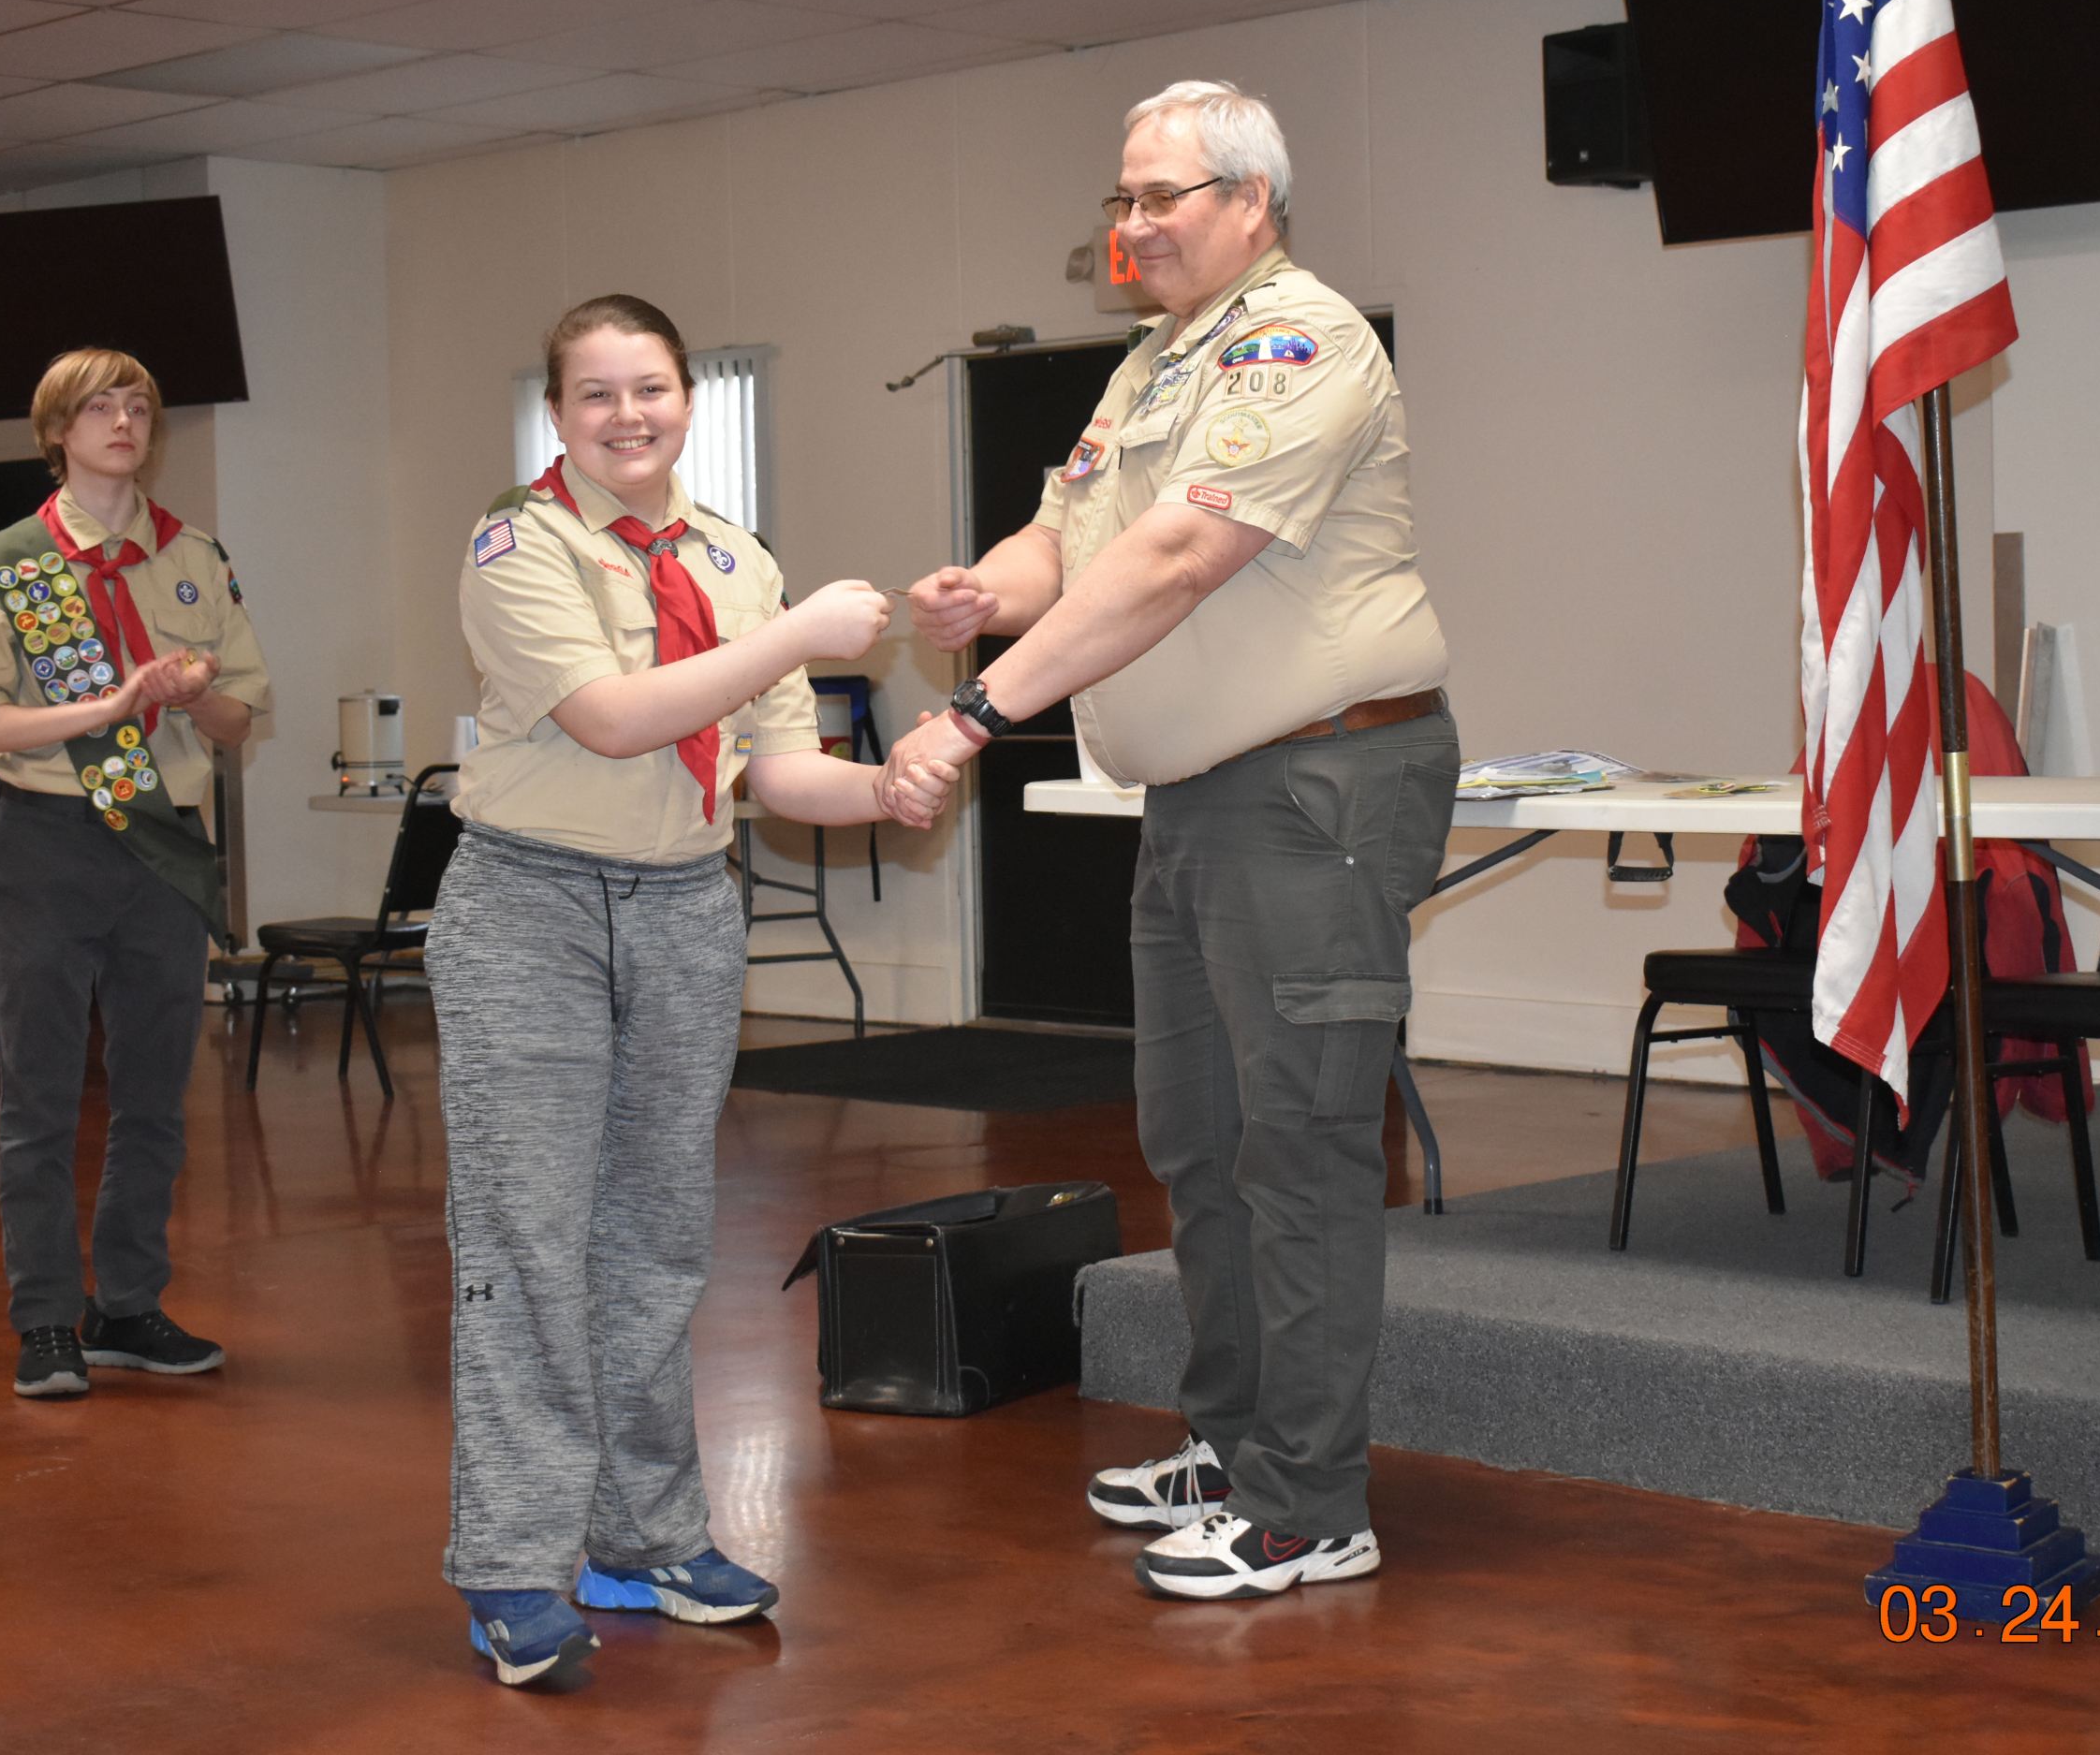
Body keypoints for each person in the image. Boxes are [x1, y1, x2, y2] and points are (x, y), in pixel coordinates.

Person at [885, 81, 1456, 1601]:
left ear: (1252, 202)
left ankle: (1310, 1505)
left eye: (1162, 197)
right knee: (1200, 1140)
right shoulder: (1154, 364)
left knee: (1302, 1148)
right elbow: (1068, 537)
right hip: (1202, 799)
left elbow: (1182, 553)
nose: (1133, 225)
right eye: (1121, 200)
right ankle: (1239, 1442)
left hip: (1316, 791)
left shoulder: (1301, 343)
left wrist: (978, 707)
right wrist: (986, 592)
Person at [433, 294, 956, 1688]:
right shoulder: (517, 543)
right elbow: (615, 719)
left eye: (651, 388)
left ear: (686, 398)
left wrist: (886, 788)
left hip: (680, 907)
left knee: (655, 1238)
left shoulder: (734, 558)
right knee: (528, 1243)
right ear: (560, 414)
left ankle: (646, 1536)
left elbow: (775, 769)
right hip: (531, 905)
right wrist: (800, 636)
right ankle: (514, 1564)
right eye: (596, 394)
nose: (628, 416)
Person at [0, 347, 270, 1400]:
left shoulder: (194, 555)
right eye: (98, 408)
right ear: (57, 431)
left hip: (162, 840)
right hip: (48, 838)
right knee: (38, 1095)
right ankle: (44, 1319)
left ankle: (127, 1303)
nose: (123, 422)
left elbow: (239, 720)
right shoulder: (7, 564)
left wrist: (194, 691)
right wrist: (108, 706)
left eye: (137, 407)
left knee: (155, 1092)